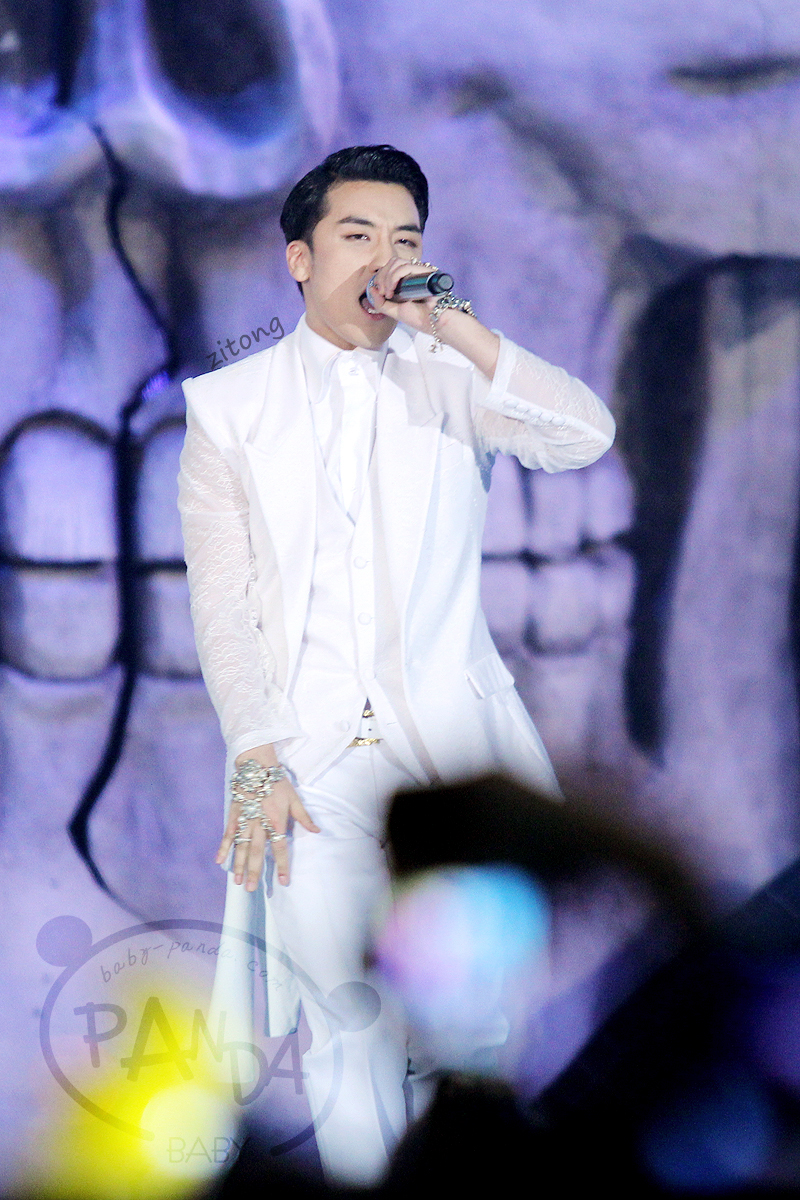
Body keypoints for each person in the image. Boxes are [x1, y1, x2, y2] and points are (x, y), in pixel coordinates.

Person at [177, 144, 615, 1186]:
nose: (384, 256)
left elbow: (585, 435)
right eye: (357, 234)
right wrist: (257, 752)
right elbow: (224, 607)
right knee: (347, 1026)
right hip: (310, 768)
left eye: (405, 237)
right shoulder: (227, 408)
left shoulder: (454, 381)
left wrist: (452, 324)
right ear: (300, 257)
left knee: (475, 1032)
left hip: (451, 766)